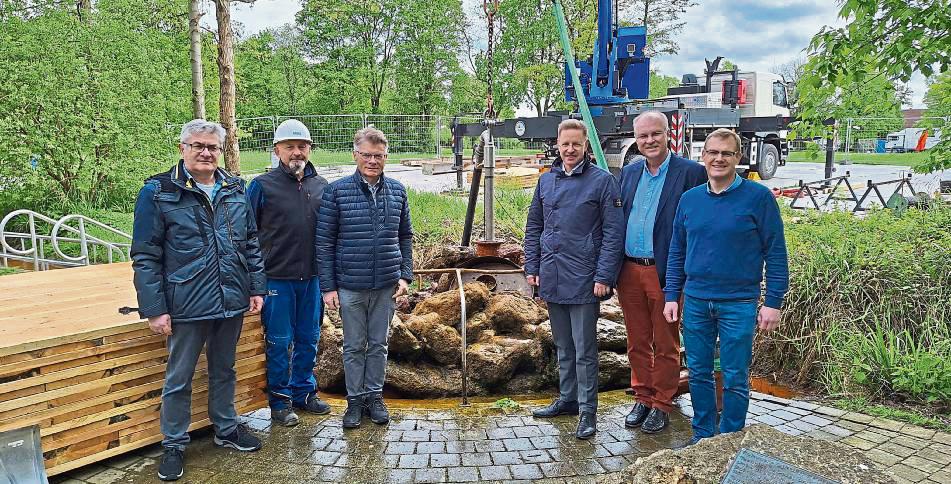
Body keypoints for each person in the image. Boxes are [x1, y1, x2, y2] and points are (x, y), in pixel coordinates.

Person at [131, 119, 265, 481]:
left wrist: (256, 287)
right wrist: (155, 308)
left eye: (212, 147)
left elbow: (250, 242)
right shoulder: (158, 191)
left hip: (231, 296)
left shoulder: (235, 188)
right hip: (185, 301)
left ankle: (226, 429)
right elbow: (145, 255)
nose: (206, 152)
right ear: (182, 148)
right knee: (180, 377)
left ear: (220, 150)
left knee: (225, 370)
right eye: (198, 146)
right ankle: (174, 444)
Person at [663, 128, 789, 444]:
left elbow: (775, 251)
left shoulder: (758, 198)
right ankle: (704, 435)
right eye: (713, 152)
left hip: (739, 302)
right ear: (703, 156)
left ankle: (730, 438)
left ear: (738, 158)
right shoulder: (689, 200)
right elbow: (677, 250)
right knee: (699, 373)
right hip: (695, 300)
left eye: (727, 153)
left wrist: (773, 302)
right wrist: (671, 295)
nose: (719, 159)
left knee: (734, 376)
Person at [524, 119, 624, 440]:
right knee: (563, 346)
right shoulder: (546, 181)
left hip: (585, 279)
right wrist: (533, 267)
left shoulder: (602, 182)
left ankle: (587, 410)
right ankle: (567, 399)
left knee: (585, 350)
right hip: (552, 277)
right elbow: (534, 227)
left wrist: (604, 275)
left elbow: (613, 234)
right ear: (557, 143)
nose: (569, 149)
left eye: (576, 144)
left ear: (585, 146)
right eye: (564, 144)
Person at [316, 125, 413, 429]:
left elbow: (405, 236)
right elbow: (324, 241)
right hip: (350, 285)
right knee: (355, 345)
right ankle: (355, 401)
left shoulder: (397, 190)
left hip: (386, 284)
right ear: (355, 154)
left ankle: (375, 396)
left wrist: (405, 275)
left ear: (386, 156)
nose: (373, 160)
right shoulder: (337, 191)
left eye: (379, 155)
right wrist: (328, 286)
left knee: (379, 344)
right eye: (367, 155)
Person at [617, 111, 707, 434]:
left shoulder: (690, 173)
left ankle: (663, 402)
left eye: (655, 134)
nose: (649, 141)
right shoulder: (628, 174)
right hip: (629, 270)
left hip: (665, 272)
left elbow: (699, 225)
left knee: (665, 341)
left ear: (668, 134)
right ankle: (642, 395)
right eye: (643, 136)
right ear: (636, 139)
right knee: (637, 339)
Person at [246, 119, 330, 427]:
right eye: (290, 147)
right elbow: (247, 235)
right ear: (277, 150)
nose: (297, 152)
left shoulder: (321, 186)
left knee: (309, 338)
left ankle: (303, 392)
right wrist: (254, 282)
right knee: (280, 341)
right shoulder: (261, 186)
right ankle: (280, 400)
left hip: (312, 279)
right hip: (276, 279)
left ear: (309, 149)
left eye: (302, 146)